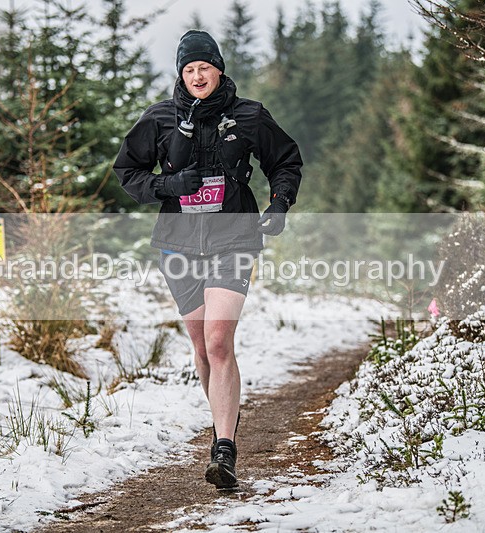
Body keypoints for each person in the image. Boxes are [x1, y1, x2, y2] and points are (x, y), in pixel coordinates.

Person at [113, 30, 302, 489]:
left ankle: (224, 448)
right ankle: (223, 422)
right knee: (201, 348)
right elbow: (127, 172)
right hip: (177, 244)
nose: (198, 76)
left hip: (233, 238)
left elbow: (285, 160)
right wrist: (167, 186)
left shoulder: (249, 115)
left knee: (218, 342)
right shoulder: (159, 118)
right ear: (181, 74)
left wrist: (279, 203)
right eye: (189, 69)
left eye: (205, 67)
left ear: (219, 69)